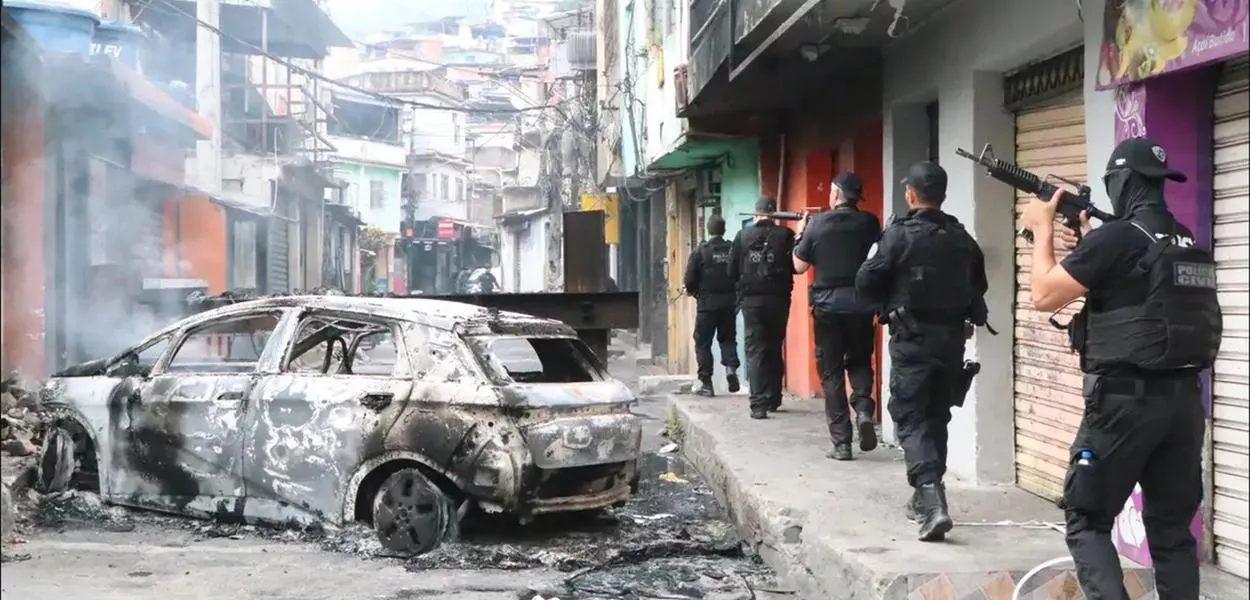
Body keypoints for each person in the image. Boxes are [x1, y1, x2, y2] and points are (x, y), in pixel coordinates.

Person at [1021, 137, 1220, 599]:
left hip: (1123, 405)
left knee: (1087, 520)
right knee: (1172, 532)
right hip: (1183, 404)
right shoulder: (1184, 239)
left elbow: (1044, 295)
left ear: (1121, 181)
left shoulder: (1117, 238)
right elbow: (1136, 288)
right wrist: (1089, 242)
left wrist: (1042, 228)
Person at [855, 161, 988, 542]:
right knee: (936, 416)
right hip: (951, 342)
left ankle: (932, 501)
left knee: (911, 418)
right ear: (942, 195)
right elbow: (979, 284)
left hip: (913, 341)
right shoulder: (962, 238)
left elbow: (865, 282)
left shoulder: (898, 236)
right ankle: (924, 497)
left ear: (910, 194)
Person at [793, 172, 882, 461]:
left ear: (834, 194)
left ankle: (842, 443)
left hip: (828, 308)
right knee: (860, 360)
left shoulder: (817, 225)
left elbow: (798, 266)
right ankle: (864, 409)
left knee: (831, 373)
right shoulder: (870, 223)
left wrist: (800, 234)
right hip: (861, 305)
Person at [729, 196, 796, 419]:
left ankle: (758, 404)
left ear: (756, 213)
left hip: (752, 302)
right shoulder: (786, 235)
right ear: (774, 213)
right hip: (779, 300)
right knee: (774, 346)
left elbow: (731, 270)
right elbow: (795, 267)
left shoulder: (742, 236)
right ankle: (773, 398)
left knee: (756, 349)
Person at [684, 214, 741, 396]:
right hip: (729, 304)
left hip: (706, 305)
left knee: (703, 343)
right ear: (723, 230)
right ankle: (731, 369)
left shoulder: (700, 251)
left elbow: (689, 279)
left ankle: (706, 383)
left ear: (708, 230)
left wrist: (693, 292)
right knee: (728, 339)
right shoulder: (732, 249)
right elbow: (740, 274)